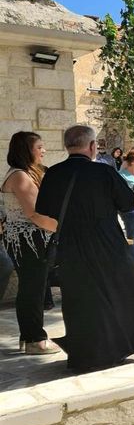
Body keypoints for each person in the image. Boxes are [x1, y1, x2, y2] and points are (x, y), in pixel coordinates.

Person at [36, 125, 134, 371]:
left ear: (66, 146)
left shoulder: (54, 173)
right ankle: (118, 347)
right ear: (92, 146)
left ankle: (85, 354)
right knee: (120, 293)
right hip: (107, 243)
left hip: (71, 245)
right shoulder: (103, 172)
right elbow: (126, 203)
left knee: (79, 298)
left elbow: (45, 209)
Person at [0, 132, 59, 355]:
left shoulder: (26, 173)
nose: (44, 151)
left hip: (30, 239)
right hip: (28, 240)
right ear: (26, 150)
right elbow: (34, 213)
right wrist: (61, 227)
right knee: (32, 289)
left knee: (34, 288)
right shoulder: (20, 176)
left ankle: (31, 337)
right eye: (39, 147)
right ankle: (35, 340)